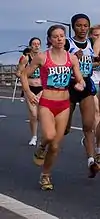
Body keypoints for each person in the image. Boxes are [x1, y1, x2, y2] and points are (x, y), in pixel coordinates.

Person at [21, 24, 86, 190]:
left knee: (56, 145)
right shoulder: (42, 57)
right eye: (55, 36)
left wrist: (80, 84)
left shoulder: (71, 58)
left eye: (62, 36)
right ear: (49, 39)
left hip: (64, 103)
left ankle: (45, 175)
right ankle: (42, 147)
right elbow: (24, 73)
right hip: (47, 102)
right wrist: (28, 92)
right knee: (49, 136)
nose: (59, 39)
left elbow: (80, 79)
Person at [64, 13, 100, 178]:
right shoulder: (67, 43)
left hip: (86, 84)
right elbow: (55, 60)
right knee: (65, 128)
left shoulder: (91, 42)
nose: (83, 28)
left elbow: (92, 60)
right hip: (70, 86)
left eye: (85, 25)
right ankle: (45, 145)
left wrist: (95, 60)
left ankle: (91, 161)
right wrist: (71, 58)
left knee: (88, 125)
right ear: (73, 27)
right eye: (79, 25)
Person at [20, 37, 42, 146]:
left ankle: (45, 136)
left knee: (43, 114)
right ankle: (34, 136)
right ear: (30, 46)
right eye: (34, 44)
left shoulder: (43, 58)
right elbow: (19, 72)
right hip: (29, 87)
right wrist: (24, 74)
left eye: (38, 44)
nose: (36, 46)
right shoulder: (26, 58)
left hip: (42, 88)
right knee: (33, 114)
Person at [91, 35, 100, 162]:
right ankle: (98, 148)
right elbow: (94, 56)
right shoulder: (96, 44)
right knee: (97, 112)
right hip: (93, 81)